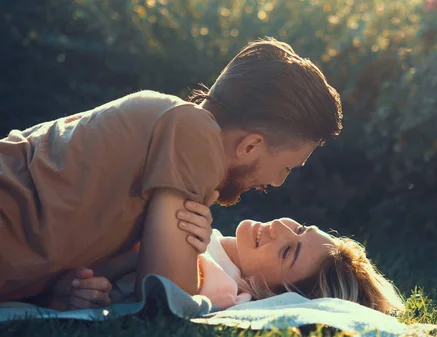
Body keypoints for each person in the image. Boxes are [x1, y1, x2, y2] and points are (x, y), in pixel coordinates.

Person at [0, 37, 343, 305]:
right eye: (285, 167)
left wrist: (57, 292)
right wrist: (191, 259)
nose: (278, 182)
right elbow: (167, 296)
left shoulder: (173, 131)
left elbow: (68, 244)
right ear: (250, 146)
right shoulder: (194, 133)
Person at [50, 216, 406, 315]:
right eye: (299, 228)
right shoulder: (215, 243)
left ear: (264, 291)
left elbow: (152, 277)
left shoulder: (220, 285)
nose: (278, 229)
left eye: (287, 252)